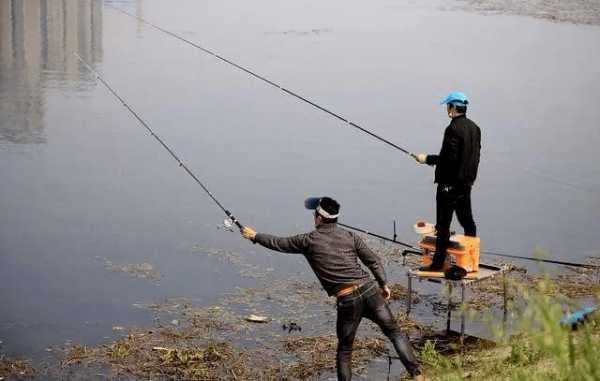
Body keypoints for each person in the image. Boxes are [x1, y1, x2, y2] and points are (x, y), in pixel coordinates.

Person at [240, 197, 424, 381]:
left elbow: (278, 243)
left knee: (345, 350)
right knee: (395, 333)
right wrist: (383, 283)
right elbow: (373, 261)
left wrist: (255, 236)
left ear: (319, 217)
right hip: (370, 291)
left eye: (315, 214)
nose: (314, 217)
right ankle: (418, 376)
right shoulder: (350, 236)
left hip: (348, 300)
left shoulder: (308, 240)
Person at [414, 91, 481, 271]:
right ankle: (471, 260)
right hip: (466, 184)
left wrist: (426, 158)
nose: (447, 109)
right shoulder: (475, 128)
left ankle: (437, 264)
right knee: (468, 222)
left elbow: (448, 159)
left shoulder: (453, 129)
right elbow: (475, 157)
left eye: (447, 106)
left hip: (449, 186)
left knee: (443, 225)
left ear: (452, 107)